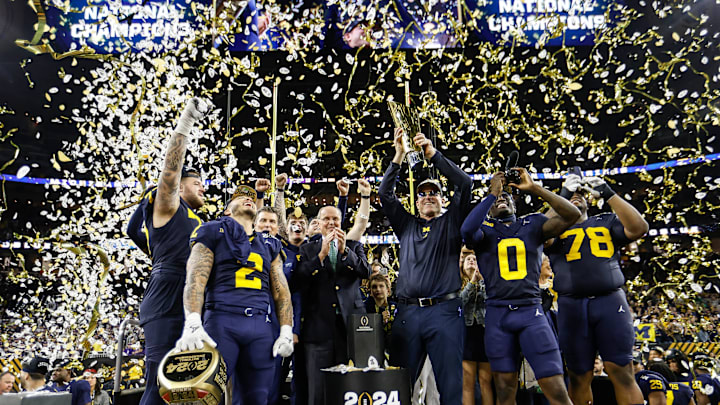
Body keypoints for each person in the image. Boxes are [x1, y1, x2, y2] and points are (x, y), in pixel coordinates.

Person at [460, 169, 581, 405]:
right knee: (504, 393)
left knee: (556, 389)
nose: (502, 198)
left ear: (515, 204)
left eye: (507, 196)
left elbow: (572, 214)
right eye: (497, 199)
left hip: (531, 311)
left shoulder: (533, 223)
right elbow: (466, 231)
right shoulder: (484, 230)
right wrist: (491, 194)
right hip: (497, 314)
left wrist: (535, 188)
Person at [176, 185, 294, 405]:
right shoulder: (212, 230)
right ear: (227, 211)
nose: (248, 199)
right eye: (240, 198)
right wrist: (192, 319)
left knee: (257, 398)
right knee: (207, 396)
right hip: (222, 320)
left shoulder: (270, 244)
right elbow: (195, 278)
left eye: (251, 198)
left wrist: (286, 329)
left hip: (260, 324)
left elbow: (281, 292)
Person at [379, 127, 472, 404]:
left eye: (434, 192)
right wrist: (398, 155)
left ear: (442, 199)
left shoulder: (451, 222)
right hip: (407, 312)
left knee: (451, 387)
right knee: (397, 386)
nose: (428, 196)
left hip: (444, 311)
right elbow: (385, 194)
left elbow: (465, 184)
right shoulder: (407, 225)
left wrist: (433, 156)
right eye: (422, 193)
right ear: (416, 201)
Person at [125, 97, 209, 405]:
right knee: (160, 383)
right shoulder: (169, 207)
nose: (204, 188)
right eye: (197, 183)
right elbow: (171, 169)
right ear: (180, 187)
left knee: (184, 388)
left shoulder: (199, 220)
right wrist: (187, 120)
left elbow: (133, 232)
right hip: (167, 295)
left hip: (192, 298)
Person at [545, 172, 648, 405]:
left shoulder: (606, 220)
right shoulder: (554, 228)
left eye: (580, 193)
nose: (576, 197)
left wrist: (608, 193)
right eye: (572, 194)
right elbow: (538, 233)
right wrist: (561, 195)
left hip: (609, 302)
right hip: (571, 304)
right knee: (578, 376)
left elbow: (639, 227)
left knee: (621, 371)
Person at [294, 203, 371, 405]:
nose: (331, 222)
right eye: (326, 219)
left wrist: (345, 252)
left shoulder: (355, 246)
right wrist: (321, 255)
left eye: (335, 219)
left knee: (352, 388)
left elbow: (366, 272)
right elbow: (298, 279)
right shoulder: (307, 248)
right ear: (318, 224)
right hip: (318, 329)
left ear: (341, 222)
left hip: (351, 330)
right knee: (318, 390)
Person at [459, 251, 493, 405]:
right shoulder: (457, 282)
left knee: (485, 381)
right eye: (468, 259)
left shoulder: (486, 282)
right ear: (462, 265)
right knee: (468, 381)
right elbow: (461, 302)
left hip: (484, 332)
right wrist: (472, 282)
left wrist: (480, 282)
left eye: (474, 259)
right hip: (466, 333)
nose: (472, 261)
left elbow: (490, 301)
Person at [364, 273, 397, 348]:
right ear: (370, 291)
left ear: (388, 290)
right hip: (373, 346)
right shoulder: (364, 308)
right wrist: (379, 320)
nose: (378, 289)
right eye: (374, 287)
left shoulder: (396, 306)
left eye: (381, 286)